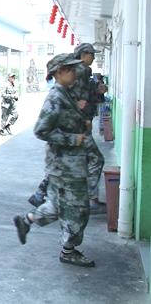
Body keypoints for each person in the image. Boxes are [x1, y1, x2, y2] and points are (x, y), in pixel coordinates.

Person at [13, 53, 95, 267]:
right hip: (65, 165)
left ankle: (27, 221)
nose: (75, 73)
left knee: (58, 205)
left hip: (67, 164)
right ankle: (69, 250)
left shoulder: (66, 93)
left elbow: (65, 122)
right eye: (71, 69)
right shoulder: (56, 96)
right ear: (59, 72)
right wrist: (73, 139)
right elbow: (41, 130)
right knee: (79, 209)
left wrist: (83, 124)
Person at [27, 43, 108, 213]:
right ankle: (88, 198)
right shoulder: (76, 74)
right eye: (91, 54)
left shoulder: (82, 73)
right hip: (73, 127)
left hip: (78, 125)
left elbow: (85, 95)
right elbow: (41, 129)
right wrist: (77, 110)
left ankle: (43, 198)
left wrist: (97, 93)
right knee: (91, 159)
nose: (93, 57)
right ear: (83, 54)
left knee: (64, 162)